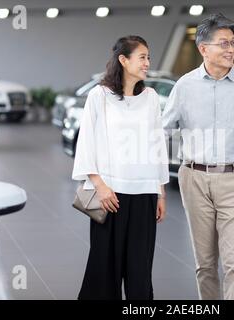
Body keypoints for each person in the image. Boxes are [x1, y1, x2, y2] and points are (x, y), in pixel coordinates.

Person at [162, 13, 234, 300]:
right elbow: (162, 131)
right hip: (194, 180)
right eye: (224, 44)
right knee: (205, 264)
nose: (231, 49)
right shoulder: (184, 86)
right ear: (203, 49)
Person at [72, 35, 169, 300]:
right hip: (109, 196)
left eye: (149, 57)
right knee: (104, 272)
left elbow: (156, 146)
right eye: (142, 57)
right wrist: (100, 186)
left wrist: (160, 191)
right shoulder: (99, 96)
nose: (148, 62)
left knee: (140, 274)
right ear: (123, 60)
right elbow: (87, 143)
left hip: (145, 194)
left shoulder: (150, 98)